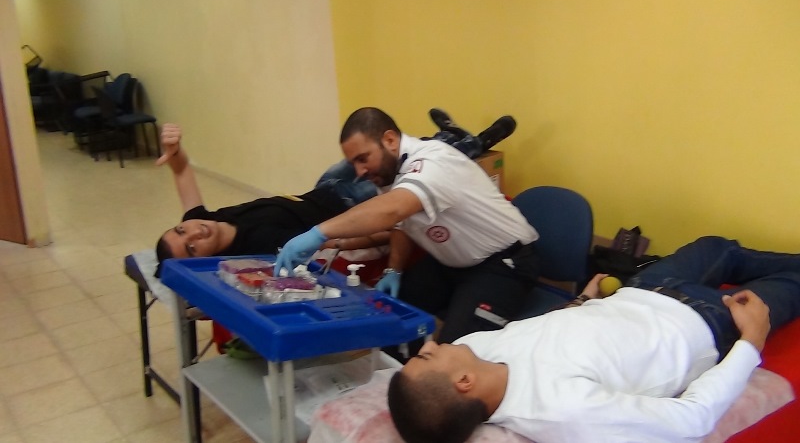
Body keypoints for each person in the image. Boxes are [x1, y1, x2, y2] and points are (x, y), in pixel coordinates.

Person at [387, 236, 800, 443]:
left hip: (642, 290)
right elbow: (691, 420)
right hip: (707, 320)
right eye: (426, 359)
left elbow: (547, 333)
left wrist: (583, 301)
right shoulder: (561, 411)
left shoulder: (478, 349)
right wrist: (751, 341)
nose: (429, 345)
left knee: (717, 247)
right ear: (464, 383)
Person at [275, 107, 539, 346]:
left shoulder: (433, 161)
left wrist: (319, 232)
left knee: (453, 356)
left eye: (363, 158)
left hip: (503, 263)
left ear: (390, 140)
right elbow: (403, 224)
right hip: (451, 263)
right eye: (354, 163)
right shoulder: (390, 172)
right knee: (387, 318)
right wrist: (394, 269)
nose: (359, 171)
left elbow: (393, 210)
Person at [154, 111, 516, 273]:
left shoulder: (201, 220)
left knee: (380, 148)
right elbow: (341, 238)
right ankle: (472, 142)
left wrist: (174, 150)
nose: (194, 233)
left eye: (182, 230)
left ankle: (445, 138)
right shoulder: (253, 251)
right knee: (395, 169)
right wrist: (382, 239)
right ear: (201, 260)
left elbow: (182, 170)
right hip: (349, 206)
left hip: (323, 187)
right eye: (192, 248)